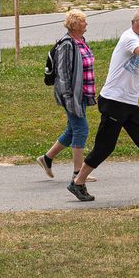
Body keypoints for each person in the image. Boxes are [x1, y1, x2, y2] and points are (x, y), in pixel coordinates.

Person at [70, 7, 139, 202]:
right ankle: (78, 182)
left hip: (128, 103)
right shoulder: (129, 37)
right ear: (133, 23)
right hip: (114, 101)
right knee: (105, 146)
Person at [38, 10, 95, 179]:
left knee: (72, 130)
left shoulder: (81, 41)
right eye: (84, 21)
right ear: (75, 25)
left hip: (82, 93)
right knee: (81, 130)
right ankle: (78, 173)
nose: (86, 24)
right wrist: (69, 98)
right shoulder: (67, 45)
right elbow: (63, 74)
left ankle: (46, 159)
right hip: (72, 96)